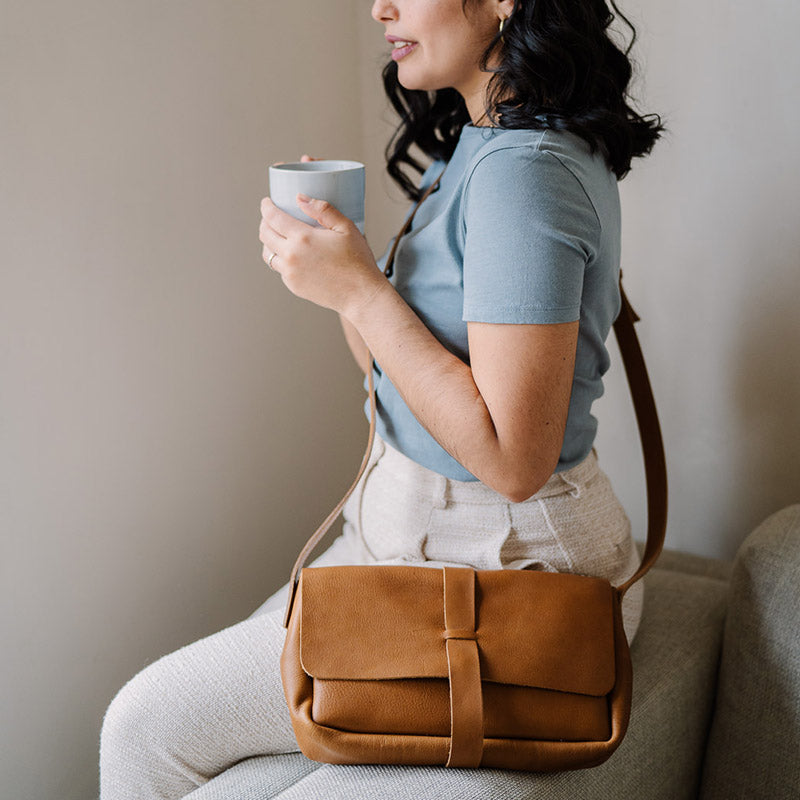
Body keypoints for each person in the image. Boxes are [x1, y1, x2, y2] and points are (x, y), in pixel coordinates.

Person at [99, 1, 663, 797]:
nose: (378, 6)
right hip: (412, 539)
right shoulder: (481, 145)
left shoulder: (522, 173)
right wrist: (343, 273)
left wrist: (363, 292)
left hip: (502, 570)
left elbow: (514, 459)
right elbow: (393, 373)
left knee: (143, 727)